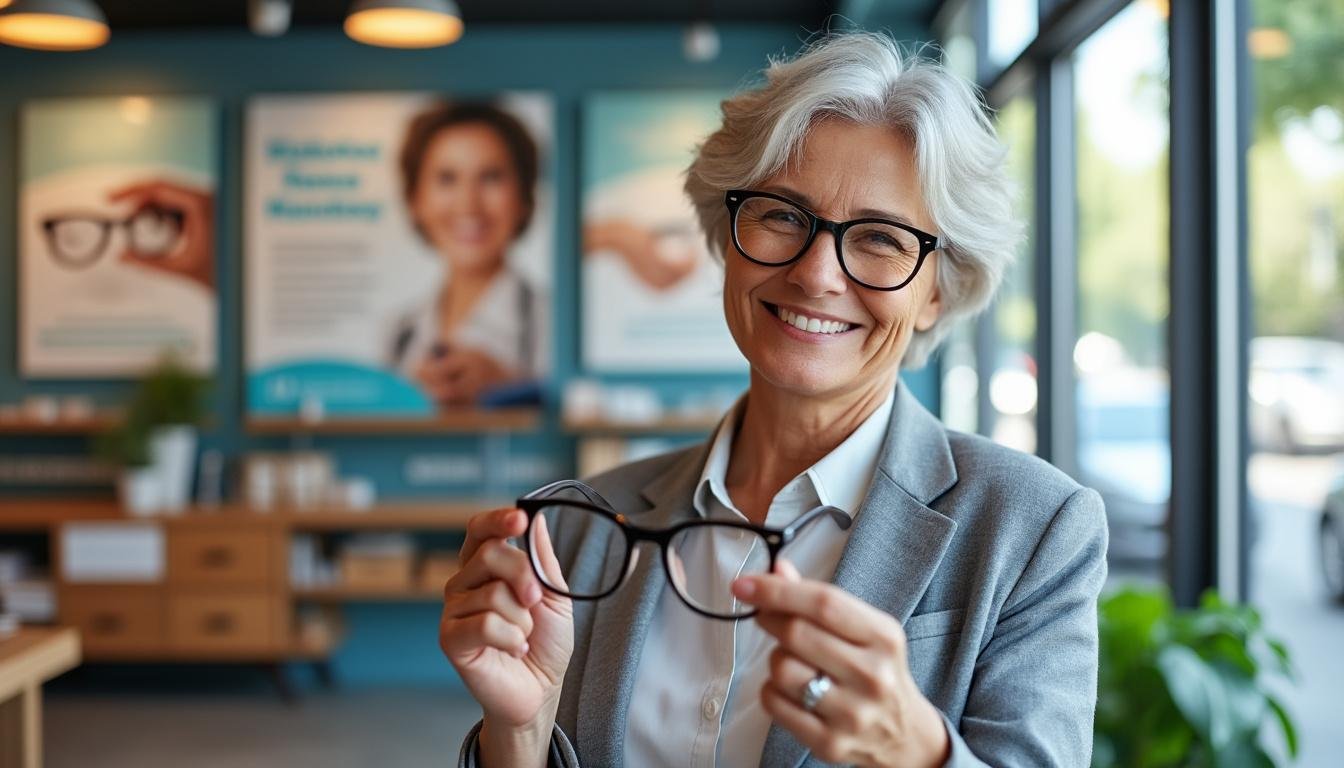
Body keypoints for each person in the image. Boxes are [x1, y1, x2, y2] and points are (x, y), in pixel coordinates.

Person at [440, 32, 1108, 768]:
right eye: (784, 215)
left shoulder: (1031, 529)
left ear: (937, 291)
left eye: (880, 238)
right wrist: (520, 733)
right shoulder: (583, 528)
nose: (817, 273)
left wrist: (920, 753)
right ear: (729, 237)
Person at [388, 101, 544, 409]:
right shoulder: (398, 332)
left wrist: (508, 388)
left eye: (491, 177)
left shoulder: (553, 325)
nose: (468, 203)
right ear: (415, 201)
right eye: (447, 179)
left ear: (524, 198)